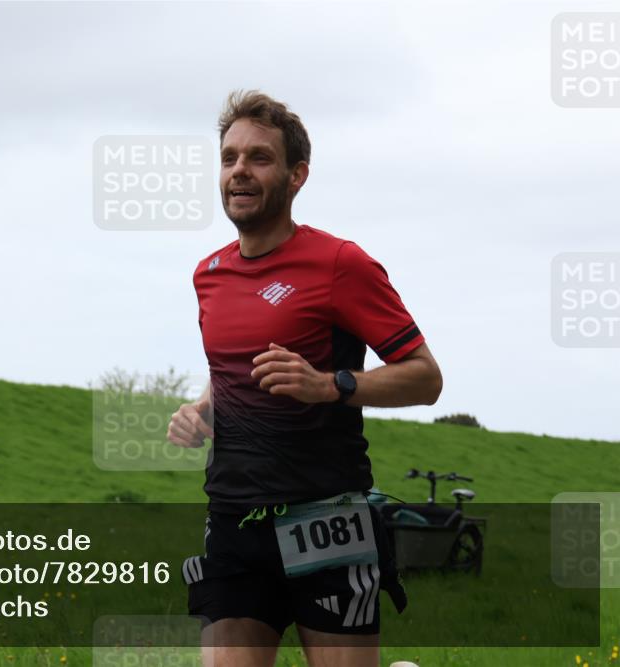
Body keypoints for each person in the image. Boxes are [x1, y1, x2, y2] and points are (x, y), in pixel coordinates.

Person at [167, 90, 443, 667]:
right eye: (229, 158)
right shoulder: (208, 275)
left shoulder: (341, 264)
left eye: (259, 157)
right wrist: (202, 411)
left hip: (327, 517)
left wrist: (329, 385)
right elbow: (231, 371)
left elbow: (425, 378)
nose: (239, 170)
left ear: (297, 176)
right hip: (234, 519)